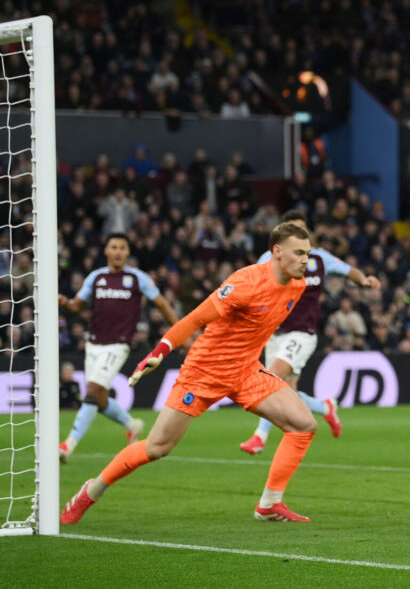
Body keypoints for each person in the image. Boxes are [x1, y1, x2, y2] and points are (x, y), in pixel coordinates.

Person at [61, 222, 319, 524]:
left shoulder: (298, 285)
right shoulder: (246, 283)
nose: (306, 260)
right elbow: (195, 318)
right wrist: (159, 352)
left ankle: (269, 503)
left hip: (246, 371)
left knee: (303, 424)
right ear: (277, 251)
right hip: (204, 372)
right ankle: (91, 491)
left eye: (308, 253)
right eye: (299, 253)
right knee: (157, 448)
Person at [240, 210, 381, 454]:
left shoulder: (320, 258)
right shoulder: (269, 257)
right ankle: (325, 407)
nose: (299, 235)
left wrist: (364, 280)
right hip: (274, 332)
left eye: (303, 229)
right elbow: (252, 284)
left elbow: (349, 271)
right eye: (293, 229)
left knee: (271, 378)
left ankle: (259, 437)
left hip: (302, 333)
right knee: (287, 394)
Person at [58, 233, 178, 463]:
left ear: (128, 252)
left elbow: (161, 304)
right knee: (100, 400)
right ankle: (132, 424)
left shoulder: (137, 278)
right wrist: (66, 303)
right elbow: (77, 306)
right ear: (106, 251)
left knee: (91, 392)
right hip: (94, 343)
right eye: (114, 247)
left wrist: (182, 329)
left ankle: (67, 445)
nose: (118, 252)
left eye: (122, 248)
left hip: (118, 345)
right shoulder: (96, 277)